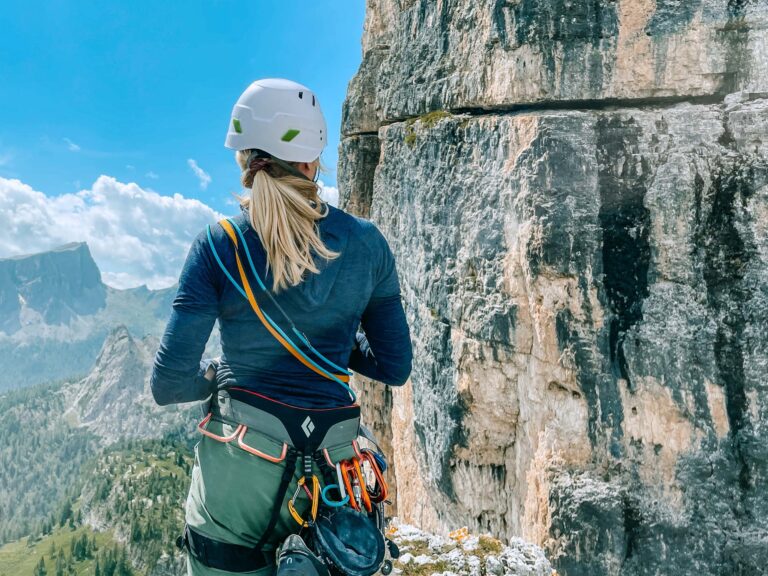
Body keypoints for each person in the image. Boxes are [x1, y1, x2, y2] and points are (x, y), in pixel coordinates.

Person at [150, 78, 412, 576]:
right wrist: (333, 344)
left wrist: (214, 376)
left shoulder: (218, 245)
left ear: (246, 156)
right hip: (333, 482)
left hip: (239, 470)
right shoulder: (367, 244)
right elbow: (394, 366)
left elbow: (167, 383)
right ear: (313, 157)